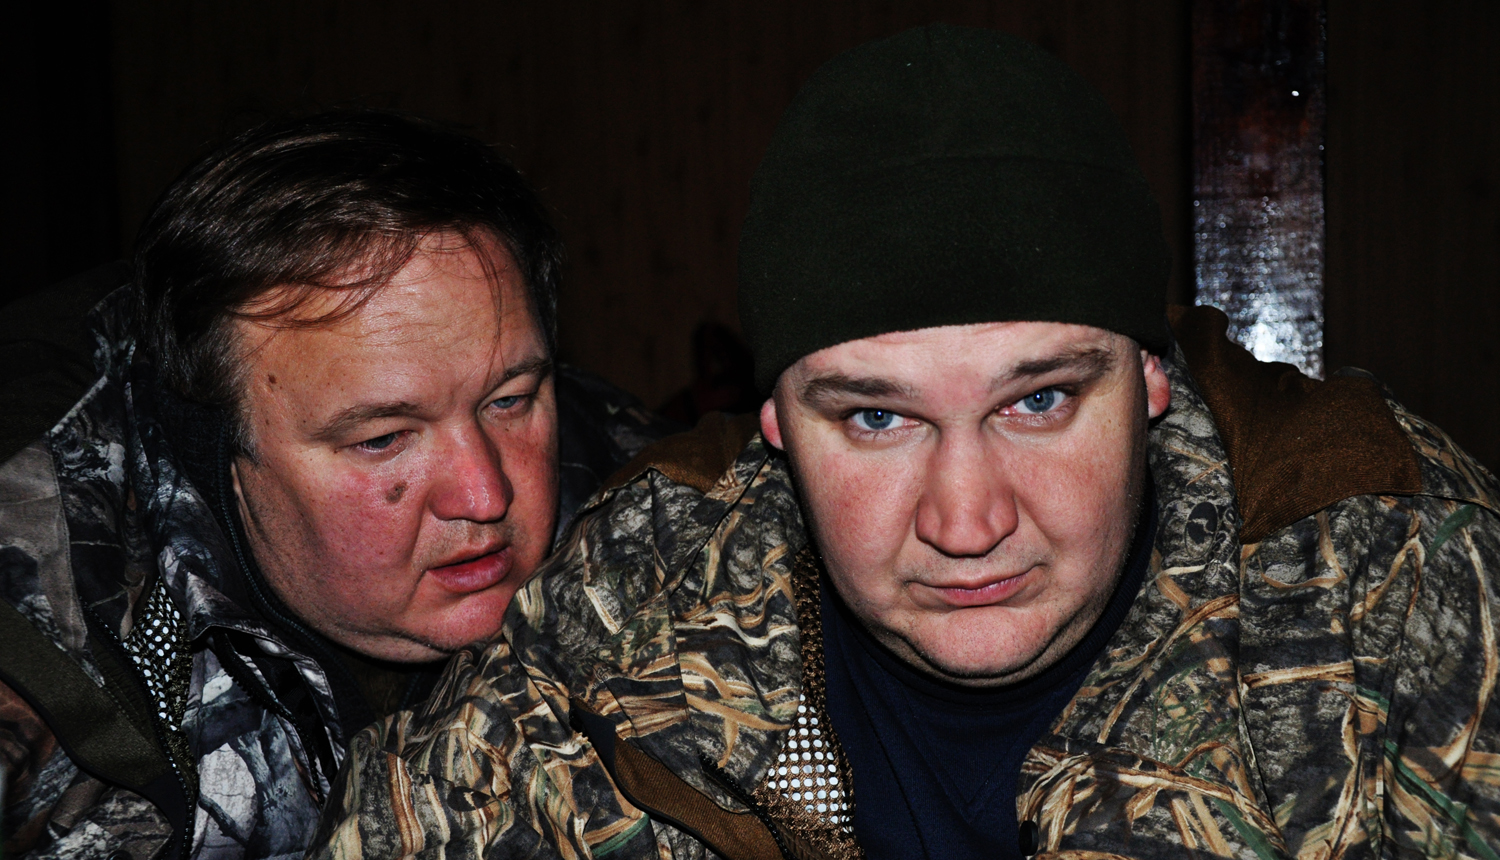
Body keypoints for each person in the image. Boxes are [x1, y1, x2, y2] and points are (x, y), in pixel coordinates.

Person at [311, 26, 1500, 860]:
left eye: (1039, 401)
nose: (967, 521)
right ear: (777, 427)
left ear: (1149, 380)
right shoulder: (642, 594)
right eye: (876, 418)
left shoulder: (1381, 575)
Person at [0, 110, 675, 860]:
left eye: (509, 400)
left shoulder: (654, 501)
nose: (485, 496)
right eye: (382, 439)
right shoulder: (45, 656)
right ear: (217, 450)